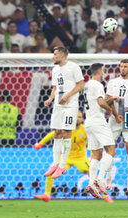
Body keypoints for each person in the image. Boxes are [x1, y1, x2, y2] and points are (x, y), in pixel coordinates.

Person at [33, 110, 113, 202]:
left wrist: (93, 156)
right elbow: (53, 134)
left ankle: (105, 196)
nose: (77, 119)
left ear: (82, 119)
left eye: (79, 117)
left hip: (81, 158)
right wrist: (40, 144)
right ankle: (47, 195)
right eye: (76, 116)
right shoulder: (67, 128)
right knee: (51, 170)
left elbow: (92, 142)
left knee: (93, 175)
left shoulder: (85, 129)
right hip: (66, 157)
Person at [43, 46, 84, 179]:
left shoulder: (73, 67)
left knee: (66, 133)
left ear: (62, 55)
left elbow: (80, 84)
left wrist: (68, 95)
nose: (53, 56)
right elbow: (55, 87)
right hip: (57, 105)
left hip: (70, 106)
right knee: (57, 132)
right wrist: (50, 98)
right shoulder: (55, 69)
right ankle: (54, 164)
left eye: (55, 54)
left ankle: (62, 165)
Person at [105, 59, 128, 193]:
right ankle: (108, 177)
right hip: (115, 117)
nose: (123, 68)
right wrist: (116, 113)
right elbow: (106, 100)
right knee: (110, 147)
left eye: (125, 66)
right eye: (121, 66)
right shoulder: (112, 82)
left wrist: (124, 114)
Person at [84, 63, 116, 197]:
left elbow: (97, 102)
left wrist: (111, 99)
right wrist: (112, 111)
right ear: (100, 71)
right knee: (111, 150)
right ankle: (100, 180)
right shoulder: (97, 85)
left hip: (89, 122)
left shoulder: (87, 85)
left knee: (97, 155)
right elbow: (100, 103)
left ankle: (91, 182)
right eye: (103, 71)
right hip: (98, 121)